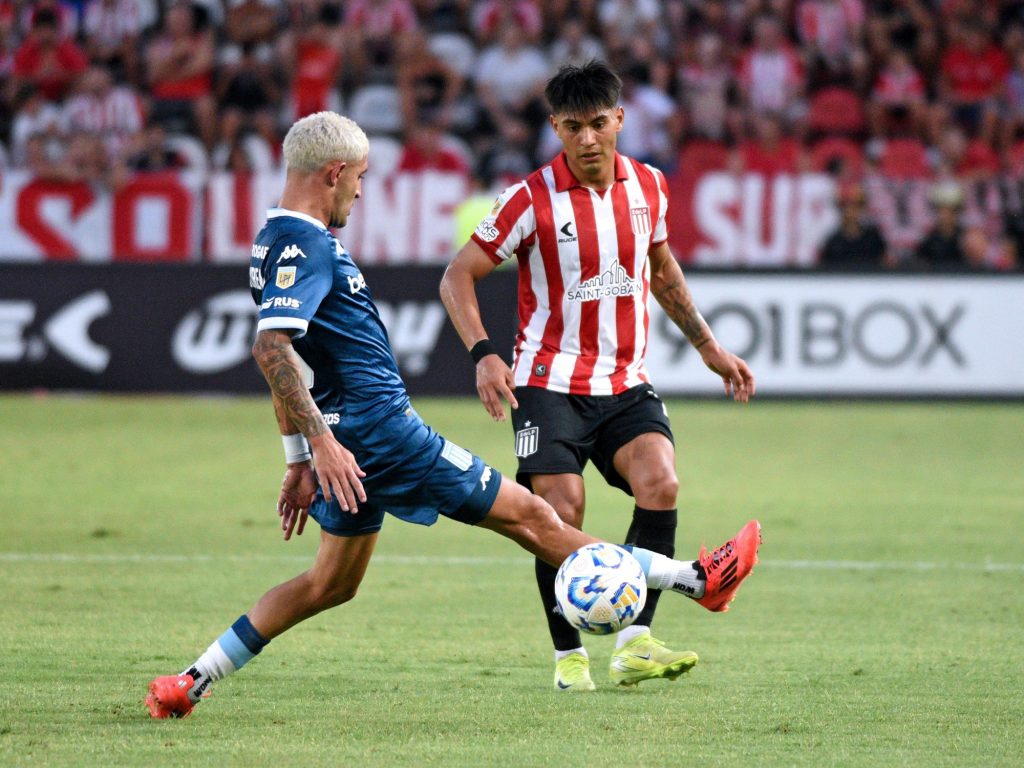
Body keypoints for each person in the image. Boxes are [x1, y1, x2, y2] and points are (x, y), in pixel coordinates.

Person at [144, 111, 762, 718]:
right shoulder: (307, 243)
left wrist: (301, 457)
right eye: (359, 178)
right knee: (534, 516)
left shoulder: (272, 243)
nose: (360, 192)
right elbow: (271, 350)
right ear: (333, 173)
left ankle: (190, 680)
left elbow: (288, 356)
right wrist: (320, 449)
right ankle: (696, 581)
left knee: (329, 584)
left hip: (344, 441)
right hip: (382, 433)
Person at [440, 62, 757, 693]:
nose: (588, 139)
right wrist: (482, 353)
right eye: (573, 127)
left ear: (620, 119)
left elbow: (662, 272)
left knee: (661, 482)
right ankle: (568, 658)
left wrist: (709, 346)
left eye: (599, 124)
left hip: (624, 381)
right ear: (556, 128)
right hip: (546, 381)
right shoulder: (529, 198)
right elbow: (457, 275)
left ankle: (635, 642)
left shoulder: (650, 187)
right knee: (559, 509)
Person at [819, 181, 891, 270]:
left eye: (855, 206)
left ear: (861, 208)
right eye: (845, 207)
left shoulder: (873, 237)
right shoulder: (833, 242)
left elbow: (888, 264)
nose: (850, 212)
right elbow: (824, 272)